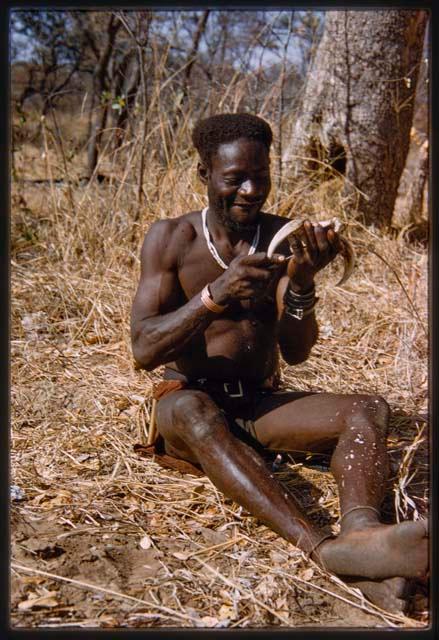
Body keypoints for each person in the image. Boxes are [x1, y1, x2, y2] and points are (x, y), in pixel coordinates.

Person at [131, 113, 428, 612]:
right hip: (186, 405)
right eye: (234, 179)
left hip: (259, 403)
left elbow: (296, 351)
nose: (250, 190)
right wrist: (214, 296)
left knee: (367, 408)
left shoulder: (280, 238)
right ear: (204, 174)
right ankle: (324, 549)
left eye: (261, 177)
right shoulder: (171, 239)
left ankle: (364, 538)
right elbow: (143, 348)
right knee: (195, 413)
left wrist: (304, 283)